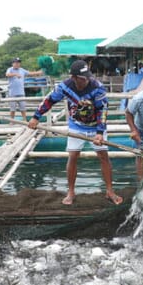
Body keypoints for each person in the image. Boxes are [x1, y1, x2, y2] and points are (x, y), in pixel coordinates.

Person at [27, 60, 122, 206]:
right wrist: (35, 117)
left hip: (95, 126)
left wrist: (99, 133)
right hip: (76, 125)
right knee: (73, 156)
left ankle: (109, 191)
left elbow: (103, 110)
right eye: (83, 78)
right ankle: (71, 192)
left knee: (103, 155)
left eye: (87, 77)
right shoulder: (64, 87)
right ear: (74, 77)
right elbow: (49, 100)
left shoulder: (98, 87)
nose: (86, 80)